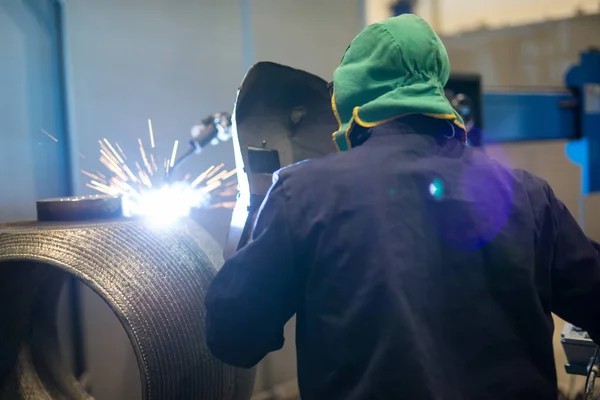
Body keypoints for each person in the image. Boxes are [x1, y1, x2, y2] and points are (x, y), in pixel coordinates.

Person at [205, 14, 600, 400]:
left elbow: (233, 338)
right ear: (436, 90)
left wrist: (255, 207)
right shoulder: (530, 196)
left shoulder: (303, 194)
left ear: (348, 94)